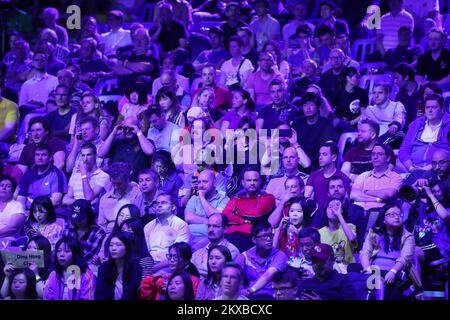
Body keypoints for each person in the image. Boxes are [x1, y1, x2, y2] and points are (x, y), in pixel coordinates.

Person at [360, 203, 417, 300]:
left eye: (399, 214)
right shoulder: (373, 234)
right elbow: (365, 252)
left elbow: (405, 258)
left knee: (391, 291)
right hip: (374, 270)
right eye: (392, 214)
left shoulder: (408, 236)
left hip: (396, 272)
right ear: (383, 219)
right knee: (352, 270)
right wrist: (367, 270)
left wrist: (393, 271)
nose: (397, 217)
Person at [222, 166, 276, 251]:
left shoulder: (268, 198)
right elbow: (225, 215)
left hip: (252, 237)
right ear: (243, 182)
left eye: (255, 180)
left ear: (260, 181)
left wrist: (236, 212)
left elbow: (256, 213)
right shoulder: (236, 198)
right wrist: (243, 220)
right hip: (231, 235)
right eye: (249, 180)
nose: (252, 183)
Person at [237, 220, 288, 300]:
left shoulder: (280, 255)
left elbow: (268, 275)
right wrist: (242, 292)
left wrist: (251, 290)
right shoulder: (244, 257)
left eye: (271, 235)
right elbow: (236, 279)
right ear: (254, 239)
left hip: (273, 297)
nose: (269, 239)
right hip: (249, 298)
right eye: (264, 236)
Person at [399, 94, 450, 173]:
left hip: (437, 168)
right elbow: (404, 149)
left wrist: (428, 168)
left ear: (442, 109)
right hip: (412, 168)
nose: (430, 110)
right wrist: (411, 169)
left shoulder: (448, 125)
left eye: (434, 107)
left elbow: (447, 150)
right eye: (427, 107)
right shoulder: (415, 124)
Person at [143, 193, 190, 272]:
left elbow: (178, 254)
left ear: (173, 207)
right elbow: (144, 252)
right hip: (149, 264)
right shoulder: (148, 227)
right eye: (157, 203)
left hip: (170, 265)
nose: (159, 205)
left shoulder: (181, 225)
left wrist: (154, 268)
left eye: (163, 203)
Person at [291, 92, 338, 169]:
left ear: (317, 107)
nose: (308, 108)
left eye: (311, 105)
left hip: (319, 165)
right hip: (300, 162)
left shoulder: (325, 123)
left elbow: (330, 147)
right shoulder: (297, 122)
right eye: (305, 105)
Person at [351, 144, 403, 211]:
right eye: (373, 154)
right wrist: (377, 199)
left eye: (380, 154)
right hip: (360, 212)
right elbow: (353, 195)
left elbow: (389, 193)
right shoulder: (363, 176)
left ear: (388, 158)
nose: (375, 157)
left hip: (381, 213)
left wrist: (366, 191)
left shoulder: (395, 177)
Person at [185, 169, 229, 249]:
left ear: (214, 183)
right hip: (188, 236)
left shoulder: (224, 199)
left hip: (210, 239)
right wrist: (209, 221)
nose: (201, 185)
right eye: (199, 182)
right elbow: (188, 217)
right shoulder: (194, 199)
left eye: (205, 182)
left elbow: (218, 218)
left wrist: (202, 197)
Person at [44, 235, 96, 300]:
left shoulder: (86, 275)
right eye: (58, 251)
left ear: (76, 253)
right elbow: (48, 297)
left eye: (67, 251)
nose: (61, 254)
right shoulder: (53, 275)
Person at [17, 145, 67, 209]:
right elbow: (21, 198)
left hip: (48, 211)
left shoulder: (57, 174)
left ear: (50, 158)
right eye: (37, 155)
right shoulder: (28, 174)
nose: (40, 158)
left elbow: (55, 201)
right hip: (28, 211)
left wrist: (34, 209)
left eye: (43, 155)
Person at [95, 232, 142, 300]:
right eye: (111, 245)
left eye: (118, 245)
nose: (113, 248)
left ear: (127, 247)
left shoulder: (136, 268)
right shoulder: (104, 268)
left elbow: (133, 295)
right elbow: (99, 294)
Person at [191, 214, 240, 279]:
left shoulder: (232, 250)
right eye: (209, 226)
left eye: (215, 226)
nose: (211, 229)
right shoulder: (198, 252)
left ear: (225, 229)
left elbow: (218, 273)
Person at [98, 162, 141, 234]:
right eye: (113, 183)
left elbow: (138, 223)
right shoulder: (105, 198)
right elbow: (101, 224)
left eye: (119, 184)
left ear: (127, 179)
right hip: (108, 236)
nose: (116, 187)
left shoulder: (138, 195)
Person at [304, 142, 351, 208]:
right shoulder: (313, 176)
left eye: (324, 154)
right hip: (318, 214)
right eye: (320, 154)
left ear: (334, 157)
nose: (320, 157)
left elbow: (346, 200)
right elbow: (306, 197)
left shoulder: (343, 177)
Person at [64, 199, 106, 269]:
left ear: (89, 216)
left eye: (81, 218)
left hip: (87, 269)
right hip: (66, 266)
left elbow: (90, 257)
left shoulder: (98, 232)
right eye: (76, 218)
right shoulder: (68, 230)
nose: (78, 221)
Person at [319, 198, 358, 270]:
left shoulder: (350, 227)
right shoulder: (320, 232)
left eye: (337, 207)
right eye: (330, 207)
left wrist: (339, 215)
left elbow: (352, 239)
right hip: (329, 270)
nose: (333, 210)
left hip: (348, 269)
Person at [273, 198, 311, 270]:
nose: (294, 214)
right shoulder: (283, 232)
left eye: (299, 211)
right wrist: (278, 229)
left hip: (303, 266)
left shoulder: (311, 232)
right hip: (285, 267)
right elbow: (273, 250)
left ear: (305, 214)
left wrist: (298, 233)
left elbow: (310, 253)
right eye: (292, 211)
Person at [0, 175, 26, 248]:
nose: (4, 188)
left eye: (8, 186)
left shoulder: (17, 206)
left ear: (13, 190)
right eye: (1, 185)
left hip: (8, 241)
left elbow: (12, 228)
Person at [392, 62, 421, 127]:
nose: (395, 82)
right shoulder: (399, 96)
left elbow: (422, 114)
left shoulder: (422, 92)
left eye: (397, 78)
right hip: (404, 130)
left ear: (406, 77)